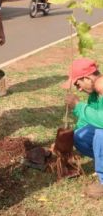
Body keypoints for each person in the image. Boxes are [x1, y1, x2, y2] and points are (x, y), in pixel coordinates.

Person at [64, 58, 103, 198]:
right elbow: (86, 123)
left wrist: (79, 106)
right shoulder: (93, 95)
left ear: (87, 78)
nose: (78, 89)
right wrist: (67, 142)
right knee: (80, 135)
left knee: (100, 134)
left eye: (77, 84)